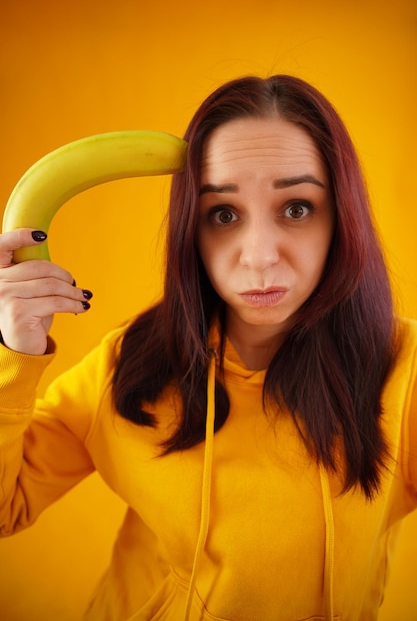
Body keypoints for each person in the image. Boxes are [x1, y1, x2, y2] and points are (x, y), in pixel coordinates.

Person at [0, 74, 416, 621]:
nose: (260, 256)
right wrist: (13, 354)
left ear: (343, 217)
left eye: (297, 208)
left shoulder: (402, 369)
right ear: (189, 230)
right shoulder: (129, 365)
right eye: (223, 213)